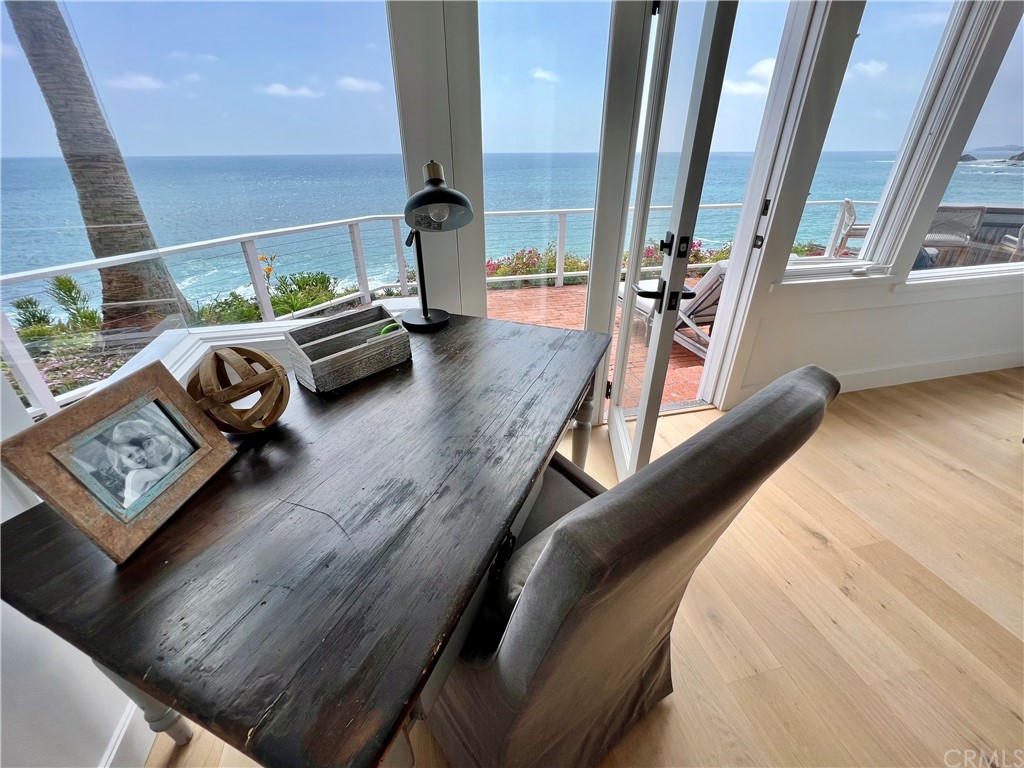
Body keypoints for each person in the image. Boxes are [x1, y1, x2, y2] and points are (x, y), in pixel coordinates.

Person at [109, 419, 189, 507]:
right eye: (130, 456)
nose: (137, 456)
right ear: (122, 463)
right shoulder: (136, 476)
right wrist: (176, 450)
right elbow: (168, 468)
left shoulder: (141, 470)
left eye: (138, 450)